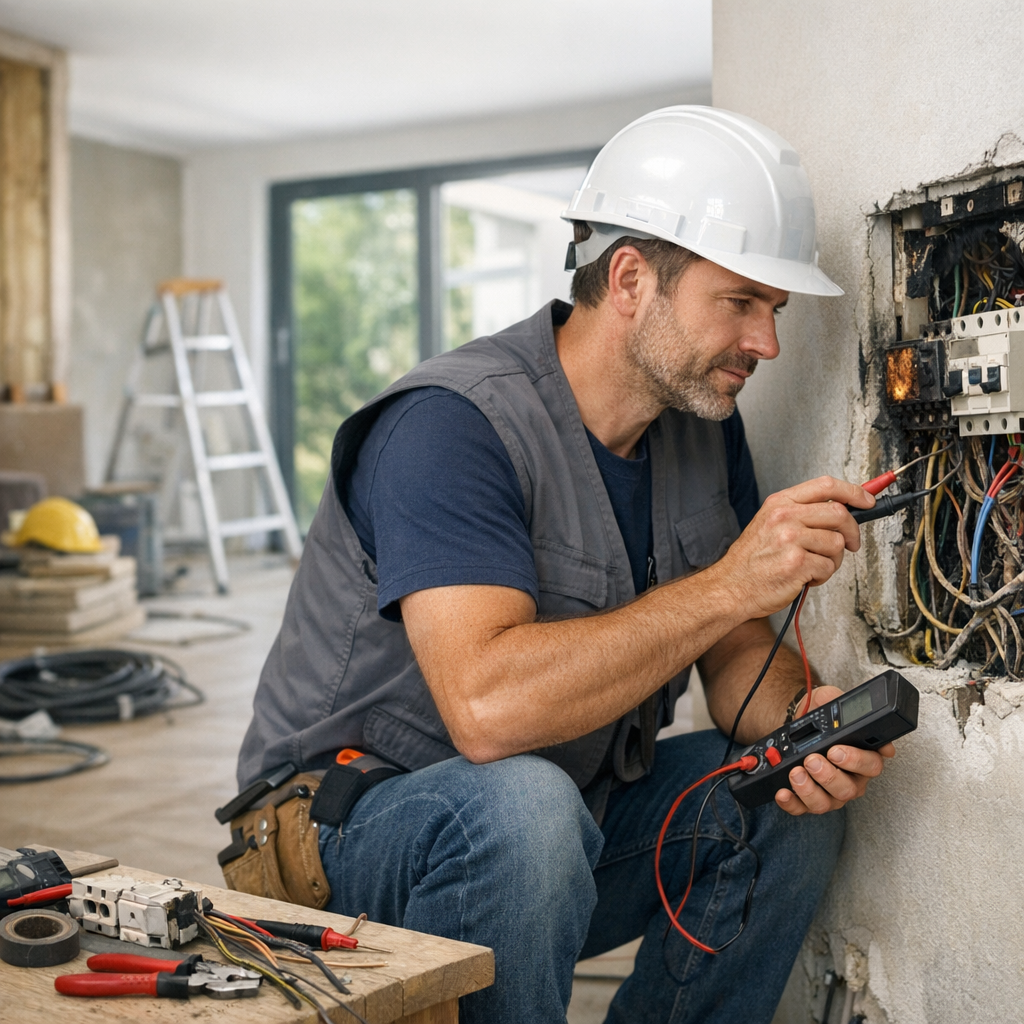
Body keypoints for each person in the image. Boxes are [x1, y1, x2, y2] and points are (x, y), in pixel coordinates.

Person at [233, 106, 893, 1023]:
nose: (767, 344)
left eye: (772, 311)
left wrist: (796, 722)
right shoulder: (450, 427)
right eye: (739, 302)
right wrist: (734, 579)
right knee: (523, 812)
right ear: (630, 279)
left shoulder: (701, 432)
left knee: (772, 791)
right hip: (344, 840)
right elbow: (488, 711)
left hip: (554, 823)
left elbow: (738, 652)